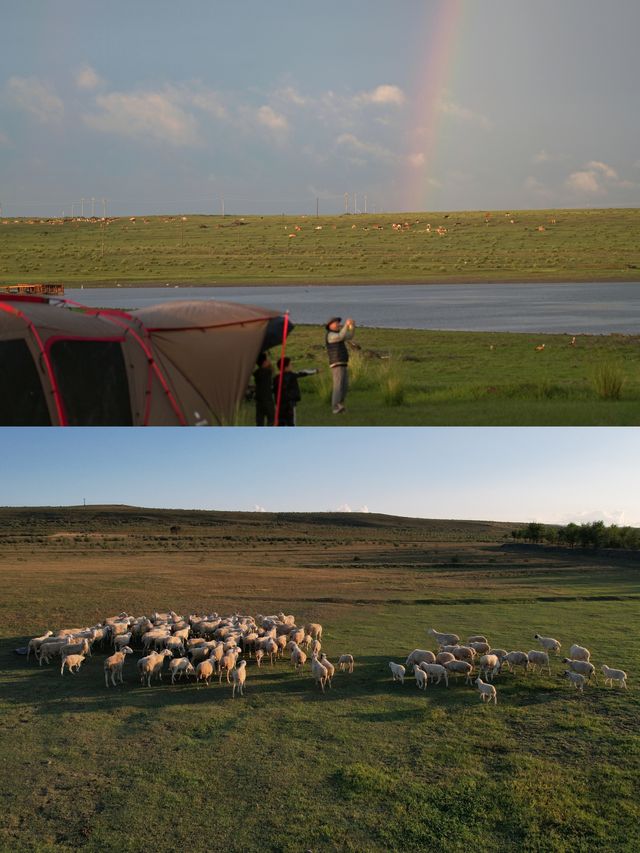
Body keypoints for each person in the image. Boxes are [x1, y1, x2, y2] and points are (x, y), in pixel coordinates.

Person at [272, 357, 317, 426]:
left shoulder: (276, 378)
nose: (291, 366)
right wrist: (315, 371)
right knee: (291, 423)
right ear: (286, 367)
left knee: (280, 423)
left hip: (279, 405)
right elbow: (302, 373)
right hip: (290, 404)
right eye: (290, 365)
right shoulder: (292, 375)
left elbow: (273, 390)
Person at [325, 316, 356, 414]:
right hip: (336, 363)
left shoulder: (338, 334)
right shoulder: (330, 335)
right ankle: (335, 407)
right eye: (336, 323)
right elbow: (341, 336)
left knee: (344, 386)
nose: (338, 324)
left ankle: (340, 406)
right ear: (330, 325)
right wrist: (346, 325)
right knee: (338, 386)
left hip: (343, 363)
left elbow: (349, 336)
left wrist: (352, 326)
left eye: (338, 322)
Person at [253, 352, 274, 426]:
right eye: (267, 360)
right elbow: (272, 369)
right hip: (268, 400)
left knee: (259, 422)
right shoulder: (268, 372)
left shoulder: (256, 373)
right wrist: (269, 363)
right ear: (264, 362)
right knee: (271, 420)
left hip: (259, 401)